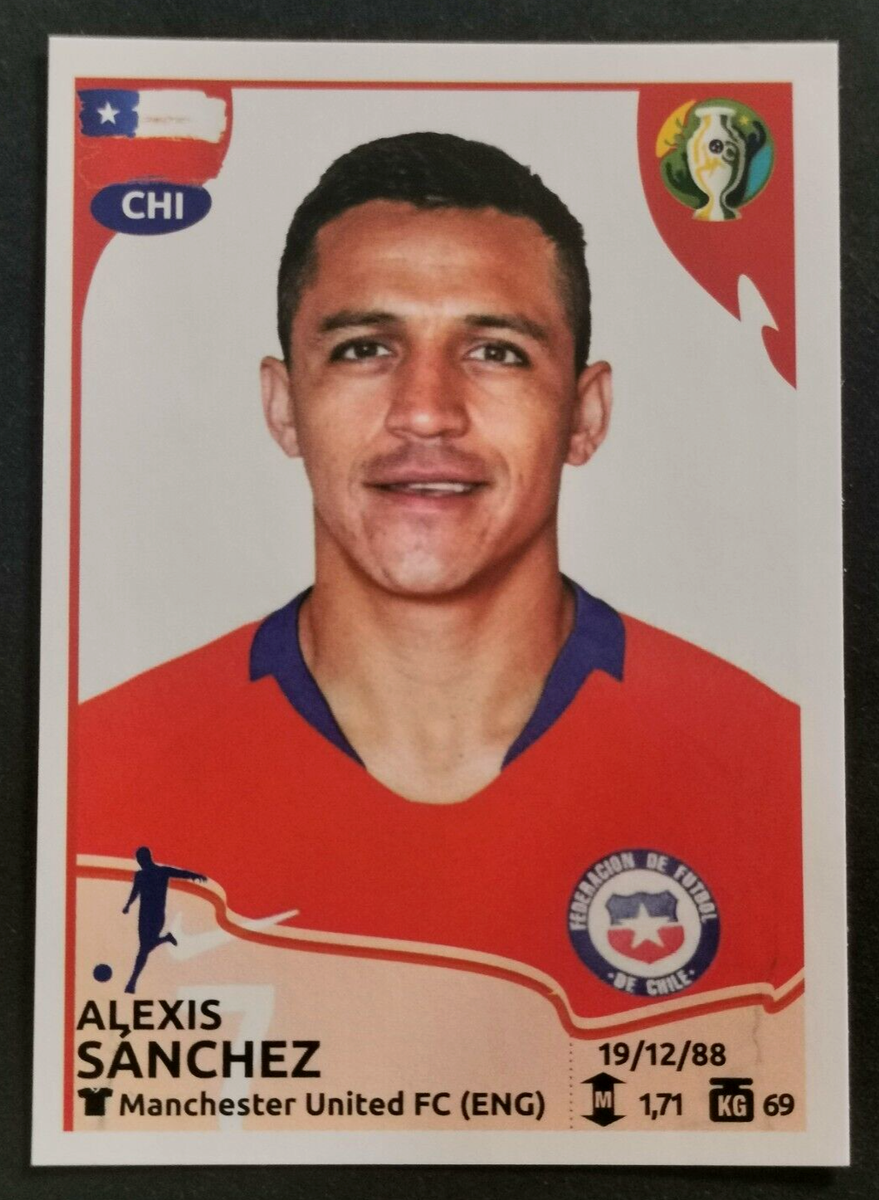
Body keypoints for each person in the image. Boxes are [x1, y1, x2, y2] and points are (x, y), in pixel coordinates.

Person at [77, 133, 802, 1023]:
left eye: (495, 351)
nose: (425, 411)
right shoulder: (93, 782)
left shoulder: (778, 778)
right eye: (363, 349)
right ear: (283, 405)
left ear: (584, 413)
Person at [121, 846, 206, 993]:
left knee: (144, 948)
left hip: (156, 916)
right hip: (143, 916)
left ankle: (132, 982)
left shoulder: (162, 871)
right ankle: (166, 938)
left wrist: (195, 875)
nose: (140, 862)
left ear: (147, 858)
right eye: (138, 860)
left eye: (141, 859)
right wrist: (128, 905)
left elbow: (180, 873)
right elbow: (135, 891)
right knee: (144, 947)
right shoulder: (140, 875)